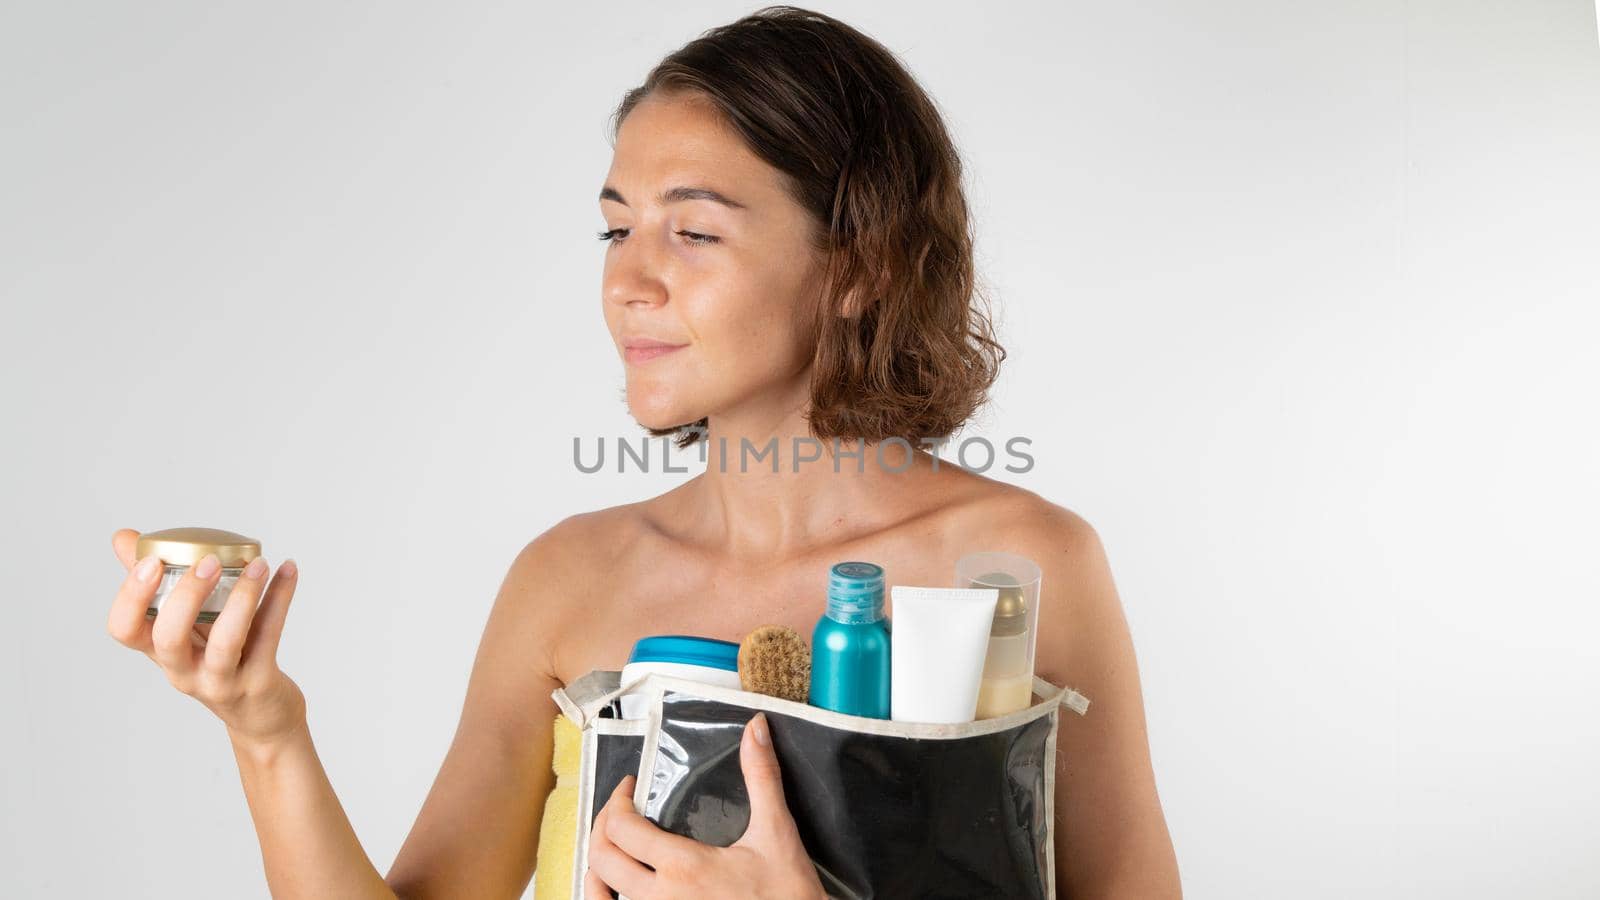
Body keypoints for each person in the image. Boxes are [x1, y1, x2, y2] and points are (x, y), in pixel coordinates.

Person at [106, 6, 1181, 898]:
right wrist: (265, 729)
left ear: (861, 267)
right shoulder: (567, 580)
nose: (630, 279)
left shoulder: (1018, 571)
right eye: (616, 229)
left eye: (694, 230)